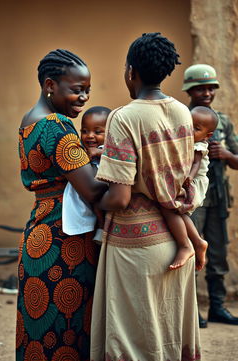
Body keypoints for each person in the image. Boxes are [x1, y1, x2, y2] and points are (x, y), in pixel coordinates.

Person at [90, 33, 207, 361]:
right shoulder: (184, 112)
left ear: (130, 71)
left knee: (132, 342)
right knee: (168, 337)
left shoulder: (123, 117)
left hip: (135, 249)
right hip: (174, 237)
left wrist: (94, 202)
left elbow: (119, 197)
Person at [17, 49, 108, 361]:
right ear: (50, 84)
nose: (82, 98)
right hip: (64, 242)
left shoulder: (28, 122)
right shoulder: (56, 125)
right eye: (76, 90)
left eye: (87, 91)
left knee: (39, 337)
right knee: (66, 336)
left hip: (38, 235)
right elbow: (93, 190)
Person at [182, 63, 238, 328]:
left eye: (210, 88)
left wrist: (226, 155)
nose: (206, 93)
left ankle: (218, 307)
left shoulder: (223, 122)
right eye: (199, 88)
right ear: (189, 91)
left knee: (217, 254)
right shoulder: (181, 117)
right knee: (192, 251)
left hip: (217, 198)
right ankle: (192, 311)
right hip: (193, 197)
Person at [160, 105, 219, 271]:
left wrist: (189, 178)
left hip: (194, 183)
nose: (189, 130)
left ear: (207, 135)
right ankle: (198, 242)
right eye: (188, 125)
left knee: (171, 208)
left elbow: (195, 163)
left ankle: (187, 244)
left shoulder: (199, 145)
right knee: (177, 211)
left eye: (196, 129)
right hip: (187, 182)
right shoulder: (186, 141)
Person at [62, 106, 111, 244]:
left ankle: (103, 227)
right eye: (84, 131)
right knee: (96, 205)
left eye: (97, 131)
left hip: (111, 188)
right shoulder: (82, 149)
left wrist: (98, 153)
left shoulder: (110, 147)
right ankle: (101, 226)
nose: (89, 135)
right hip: (95, 190)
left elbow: (118, 155)